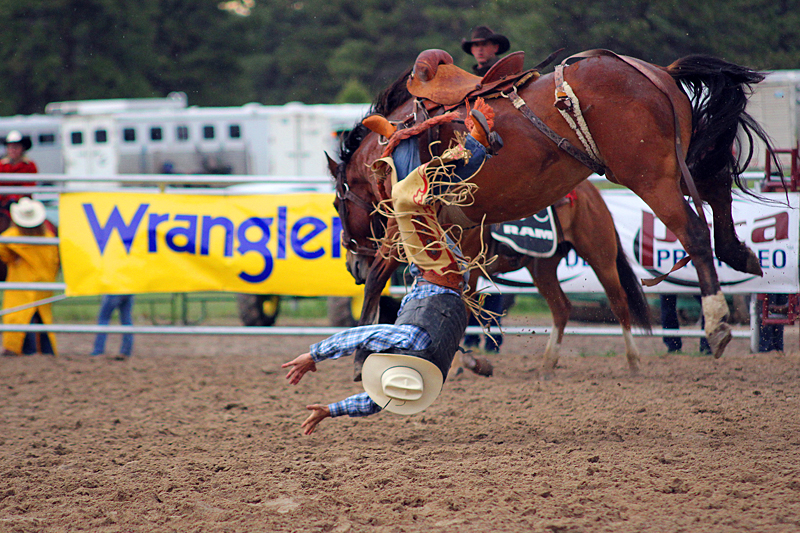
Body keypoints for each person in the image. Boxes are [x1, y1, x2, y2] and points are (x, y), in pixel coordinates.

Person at [282, 110, 502, 434]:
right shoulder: (411, 342)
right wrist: (314, 355)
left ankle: (399, 139)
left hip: (440, 273)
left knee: (409, 205)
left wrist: (331, 410)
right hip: (439, 272)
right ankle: (472, 148)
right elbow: (363, 335)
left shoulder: (431, 371)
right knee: (405, 200)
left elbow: (378, 400)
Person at [0, 198, 59, 356]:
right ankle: (46, 351)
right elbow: (54, 261)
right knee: (42, 318)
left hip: (21, 285)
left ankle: (25, 350)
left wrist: (14, 258)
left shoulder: (12, 237)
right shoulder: (48, 238)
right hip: (44, 285)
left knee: (21, 317)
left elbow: (3, 253)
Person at [0, 131, 38, 209]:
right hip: (3, 204)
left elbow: (30, 186)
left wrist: (17, 197)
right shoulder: (2, 165)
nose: (13, 150)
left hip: (24, 204)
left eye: (16, 147)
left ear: (22, 148)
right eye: (10, 147)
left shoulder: (29, 165)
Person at [91, 294, 135, 359]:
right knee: (126, 321)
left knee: (103, 319)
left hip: (114, 291)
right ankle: (126, 352)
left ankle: (98, 350)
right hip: (129, 291)